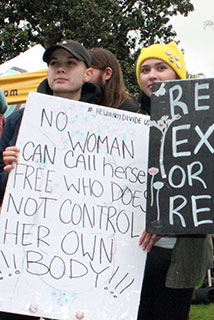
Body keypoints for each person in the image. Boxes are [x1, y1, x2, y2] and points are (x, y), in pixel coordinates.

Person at [0, 40, 101, 320]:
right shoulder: (20, 120)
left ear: (87, 72)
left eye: (70, 64)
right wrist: (11, 172)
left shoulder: (107, 124)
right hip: (25, 245)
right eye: (54, 63)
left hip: (83, 249)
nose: (61, 69)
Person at [135, 42, 213, 320]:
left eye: (161, 67)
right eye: (144, 69)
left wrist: (166, 219)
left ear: (178, 75)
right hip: (130, 254)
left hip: (179, 255)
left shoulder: (203, 122)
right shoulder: (126, 120)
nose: (151, 75)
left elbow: (210, 187)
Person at [87, 47, 138, 112]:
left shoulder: (131, 111)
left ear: (107, 73)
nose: (84, 75)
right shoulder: (83, 102)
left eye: (89, 70)